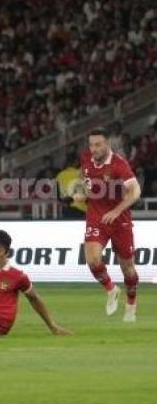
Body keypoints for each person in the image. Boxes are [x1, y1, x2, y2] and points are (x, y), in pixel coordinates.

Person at [73, 128, 141, 322]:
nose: (93, 149)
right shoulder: (87, 159)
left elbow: (135, 191)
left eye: (98, 145)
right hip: (96, 217)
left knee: (128, 269)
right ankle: (111, 289)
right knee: (93, 260)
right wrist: (81, 191)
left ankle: (131, 303)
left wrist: (117, 211)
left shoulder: (119, 165)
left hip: (120, 221)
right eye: (91, 145)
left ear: (108, 145)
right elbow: (82, 178)